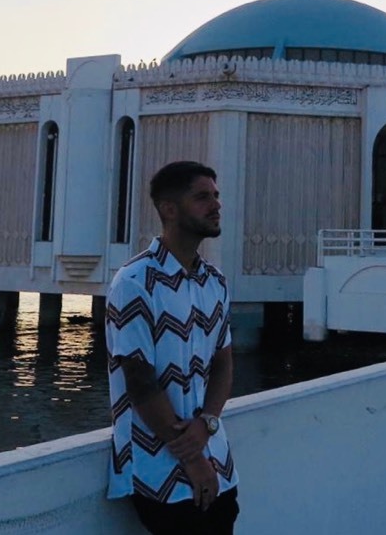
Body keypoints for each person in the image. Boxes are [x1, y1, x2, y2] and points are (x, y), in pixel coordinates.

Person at [105, 161, 239, 534]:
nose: (215, 205)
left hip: (219, 466)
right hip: (158, 470)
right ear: (169, 209)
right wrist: (193, 458)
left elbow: (223, 363)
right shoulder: (135, 282)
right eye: (201, 197)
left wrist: (208, 422)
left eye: (216, 196)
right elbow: (140, 379)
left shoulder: (215, 281)